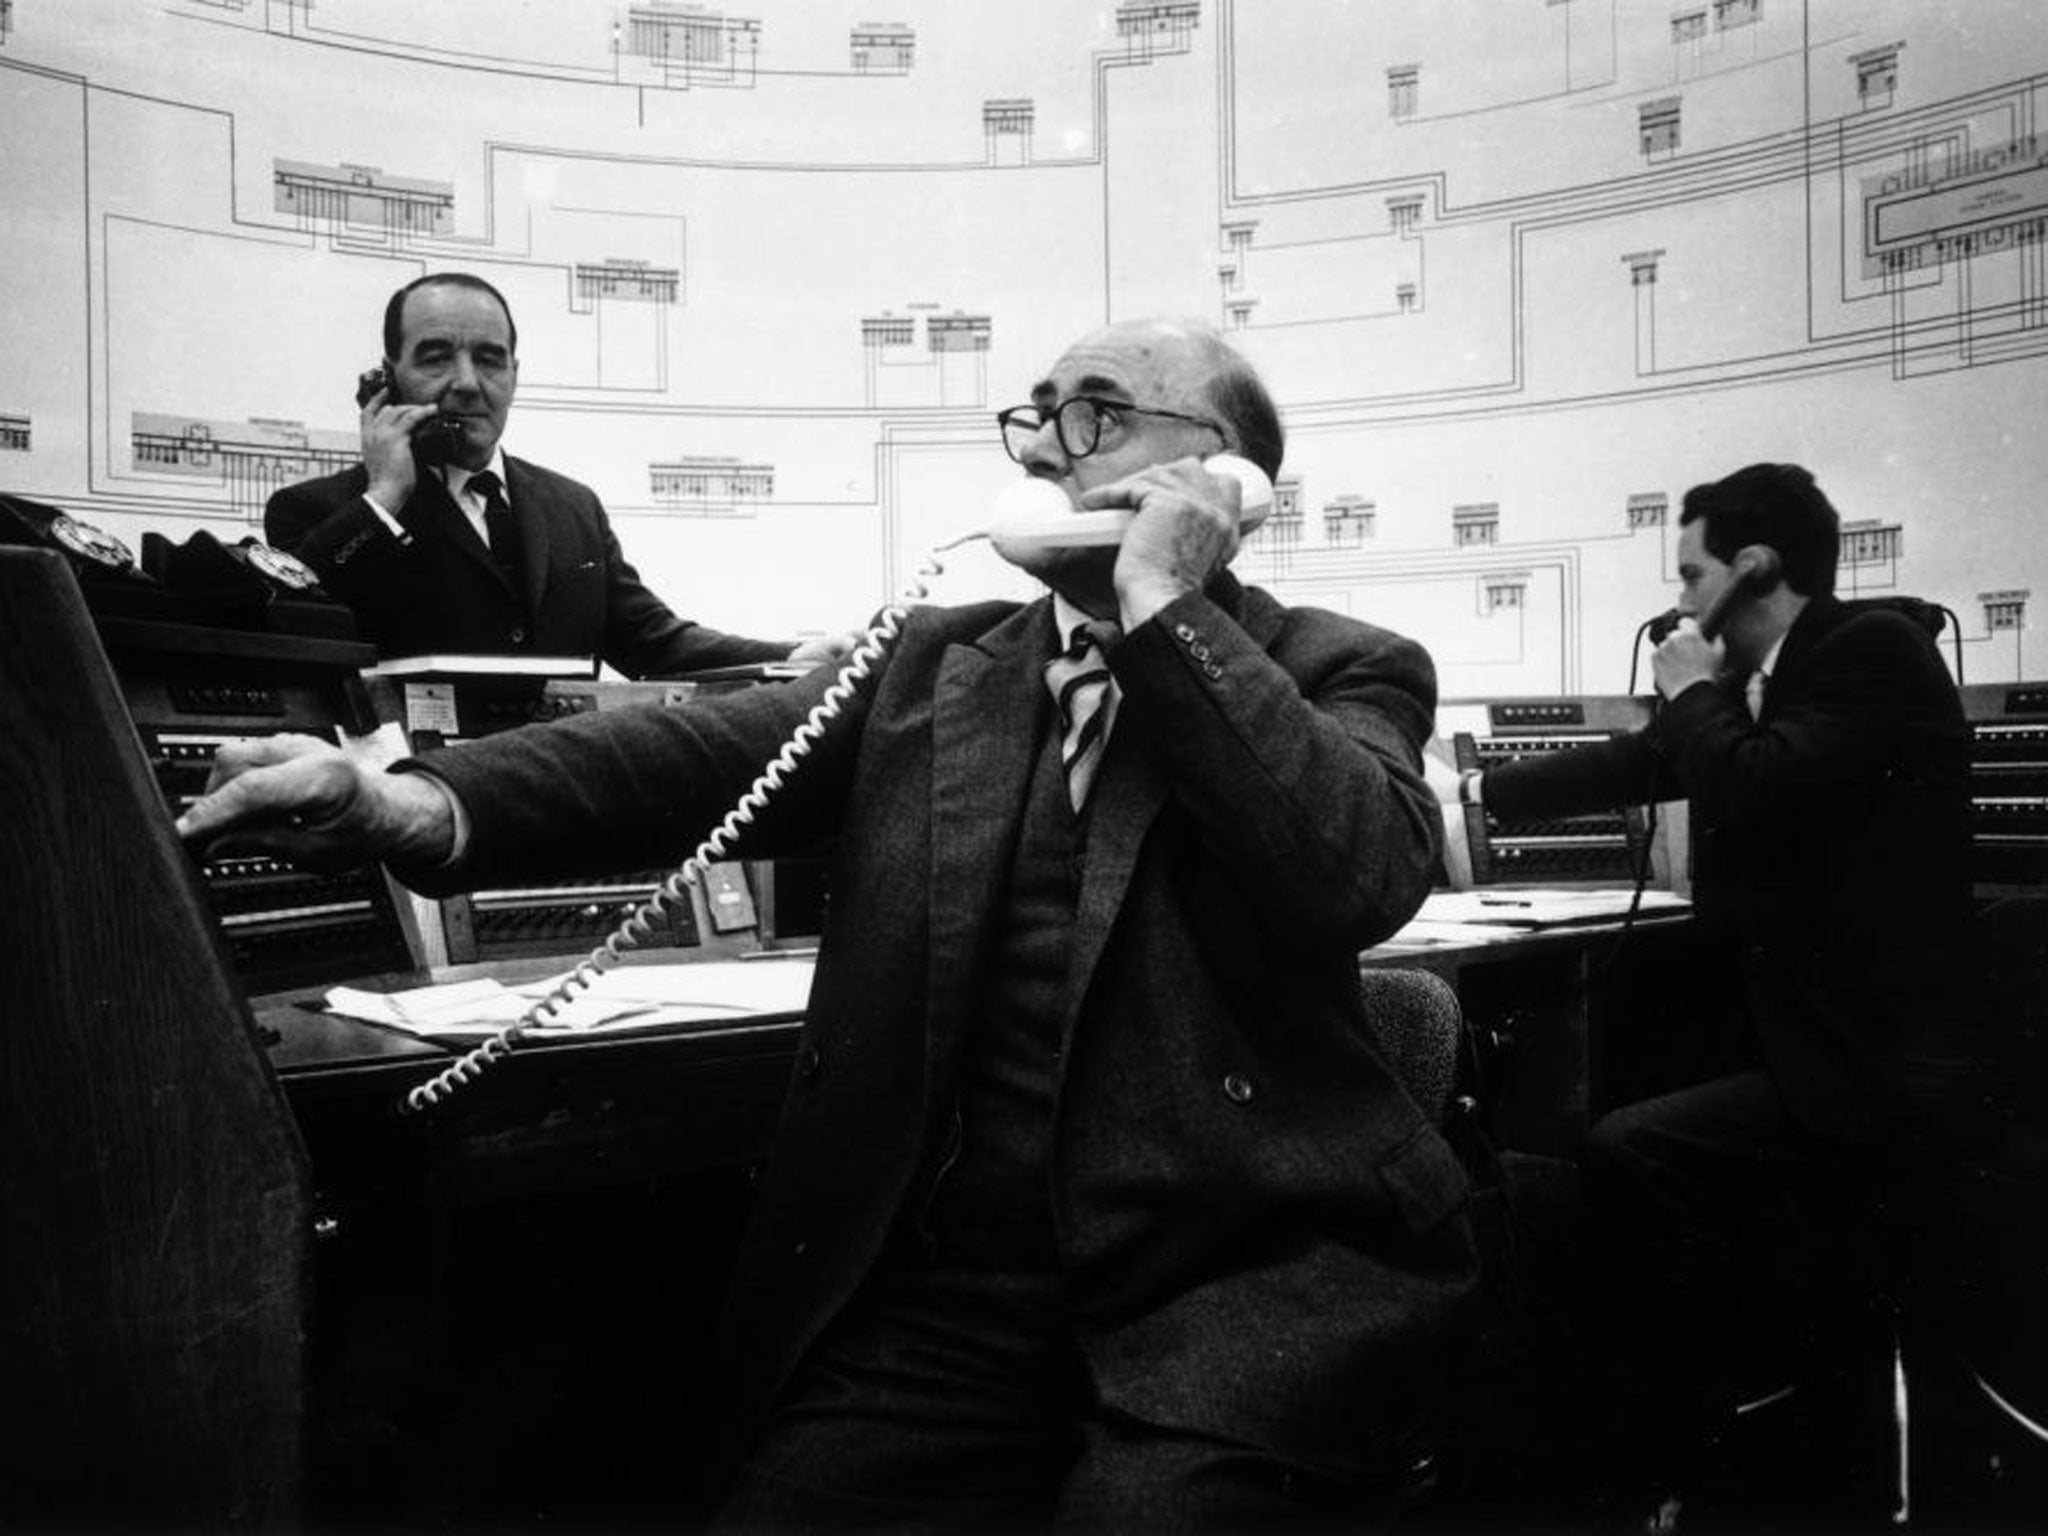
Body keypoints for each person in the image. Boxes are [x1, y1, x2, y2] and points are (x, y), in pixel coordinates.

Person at [183, 317, 1476, 1529]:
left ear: (1224, 481)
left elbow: (1354, 871)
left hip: (1236, 1285)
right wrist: (398, 798)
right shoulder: (933, 664)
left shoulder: (1340, 665)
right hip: (967, 1300)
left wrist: (1166, 610)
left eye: (1095, 417)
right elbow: (679, 758)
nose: (1037, 449)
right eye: (1035, 417)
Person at [1437, 463, 1979, 1526]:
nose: (1676, 604)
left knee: (1625, 1149)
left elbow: (1748, 777)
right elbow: (1651, 759)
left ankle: (1679, 1447)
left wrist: (1689, 688)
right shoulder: (1759, 675)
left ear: (1752, 569)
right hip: (1799, 1035)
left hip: (1873, 1063)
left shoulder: (1874, 653)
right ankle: (1681, 1418)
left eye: (1690, 577)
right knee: (1614, 1100)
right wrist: (1471, 790)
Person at [267, 271, 834, 675]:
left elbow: (652, 641)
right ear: (388, 380)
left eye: (489, 358)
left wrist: (789, 657)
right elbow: (296, 641)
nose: (467, 382)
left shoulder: (572, 508)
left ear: (514, 373)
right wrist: (384, 497)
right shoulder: (318, 512)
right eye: (437, 357)